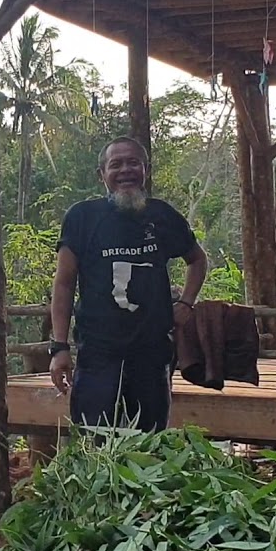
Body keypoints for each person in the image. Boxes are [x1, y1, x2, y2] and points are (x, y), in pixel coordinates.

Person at [48, 136, 208, 433]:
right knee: (92, 439)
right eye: (116, 164)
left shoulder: (161, 215)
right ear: (102, 175)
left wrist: (186, 302)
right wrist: (59, 348)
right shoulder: (82, 217)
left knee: (149, 440)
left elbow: (198, 260)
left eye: (133, 163)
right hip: (97, 351)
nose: (125, 171)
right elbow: (64, 284)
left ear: (146, 169)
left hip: (152, 350)